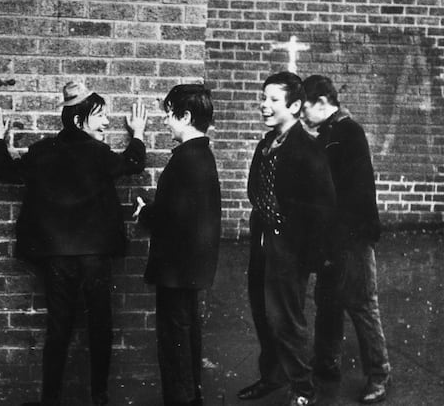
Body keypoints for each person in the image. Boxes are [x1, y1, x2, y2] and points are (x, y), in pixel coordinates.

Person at [0, 80, 148, 406]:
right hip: (94, 256)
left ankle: (50, 399)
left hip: (56, 257)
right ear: (78, 120)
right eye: (100, 116)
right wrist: (139, 134)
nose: (106, 123)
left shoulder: (42, 152)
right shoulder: (100, 154)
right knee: (100, 325)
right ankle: (99, 396)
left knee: (58, 329)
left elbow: (4, 169)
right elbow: (133, 163)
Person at [237, 72, 335, 406]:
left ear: (294, 106)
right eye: (262, 98)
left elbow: (322, 209)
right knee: (263, 315)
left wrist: (305, 256)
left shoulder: (307, 148)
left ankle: (303, 388)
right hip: (263, 244)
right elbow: (256, 189)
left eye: (273, 100)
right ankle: (272, 377)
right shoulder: (267, 144)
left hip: (290, 250)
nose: (264, 106)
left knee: (287, 321)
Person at [301, 75, 390, 404]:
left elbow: (356, 195)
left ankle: (379, 374)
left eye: (306, 108)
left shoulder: (347, 132)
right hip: (334, 238)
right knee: (327, 301)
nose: (302, 116)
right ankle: (326, 364)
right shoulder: (329, 133)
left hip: (352, 237)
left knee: (362, 304)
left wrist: (339, 238)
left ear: (323, 102)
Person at [133, 85, 221, 406]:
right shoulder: (200, 155)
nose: (166, 120)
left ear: (185, 116)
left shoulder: (186, 160)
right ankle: (190, 397)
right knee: (186, 335)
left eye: (169, 114)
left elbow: (172, 216)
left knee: (174, 343)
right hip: (190, 269)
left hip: (176, 270)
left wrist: (146, 212)